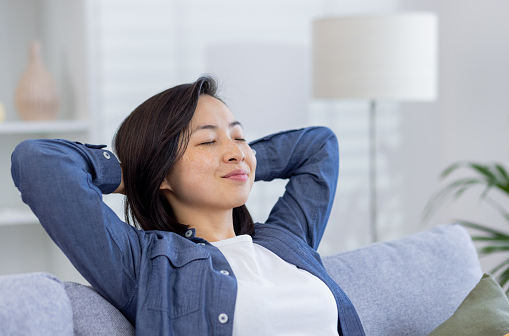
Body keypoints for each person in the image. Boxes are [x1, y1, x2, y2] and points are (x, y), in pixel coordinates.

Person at [11, 76, 365, 335]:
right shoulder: (146, 265)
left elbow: (320, 146)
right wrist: (136, 174)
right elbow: (39, 161)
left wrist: (237, 163)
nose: (235, 150)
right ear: (161, 173)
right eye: (208, 141)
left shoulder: (285, 241)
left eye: (239, 137)